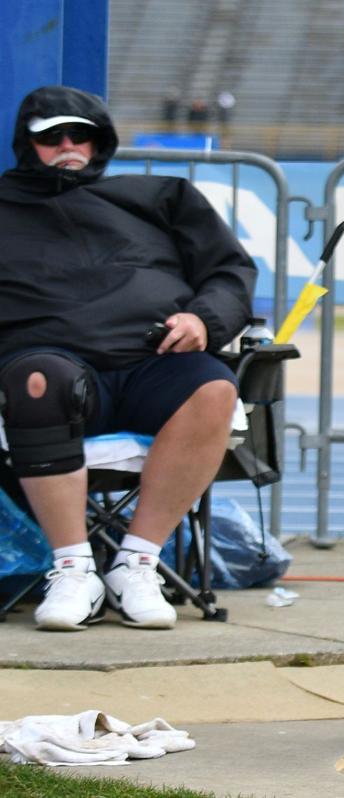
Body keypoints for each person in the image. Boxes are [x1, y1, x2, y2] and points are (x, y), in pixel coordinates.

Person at [0, 85, 257, 630]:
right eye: (52, 137)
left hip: (151, 358)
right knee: (38, 379)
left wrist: (203, 320)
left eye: (81, 135)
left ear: (100, 142)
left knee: (214, 389)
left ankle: (136, 564)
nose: (68, 145)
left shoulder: (161, 196)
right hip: (51, 366)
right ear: (28, 143)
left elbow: (228, 273)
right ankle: (72, 569)